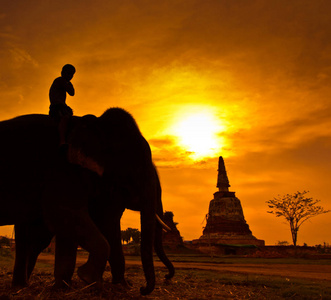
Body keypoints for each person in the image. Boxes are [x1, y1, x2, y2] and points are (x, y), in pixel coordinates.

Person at [49, 64, 76, 147]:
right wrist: (70, 84)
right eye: (68, 73)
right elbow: (71, 92)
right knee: (65, 118)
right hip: (57, 107)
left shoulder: (64, 82)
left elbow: (72, 93)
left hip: (61, 106)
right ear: (62, 72)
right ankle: (62, 140)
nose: (70, 76)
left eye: (71, 74)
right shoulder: (60, 80)